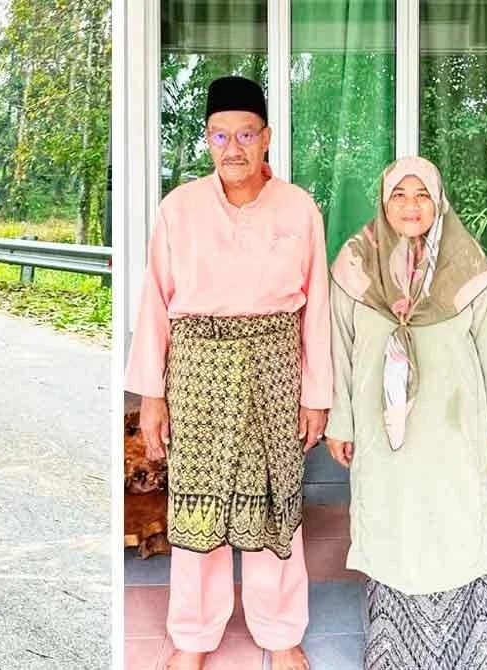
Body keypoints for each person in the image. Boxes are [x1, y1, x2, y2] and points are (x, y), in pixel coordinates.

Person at [124, 75, 331, 670]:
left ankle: (280, 630)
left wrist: (315, 393)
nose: (233, 148)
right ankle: (192, 635)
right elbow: (155, 305)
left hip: (273, 367)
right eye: (221, 135)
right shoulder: (179, 208)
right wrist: (153, 396)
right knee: (198, 504)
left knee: (275, 502)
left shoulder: (299, 207)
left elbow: (316, 306)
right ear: (207, 140)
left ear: (266, 139)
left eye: (246, 134)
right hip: (197, 369)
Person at [324, 156, 487, 669]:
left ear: (437, 200)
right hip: (382, 431)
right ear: (384, 202)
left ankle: (475, 651)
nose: (410, 205)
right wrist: (341, 421)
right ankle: (397, 652)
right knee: (392, 520)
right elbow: (340, 348)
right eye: (399, 195)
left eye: (421, 194)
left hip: (453, 427)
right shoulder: (355, 264)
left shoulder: (466, 263)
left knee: (454, 521)